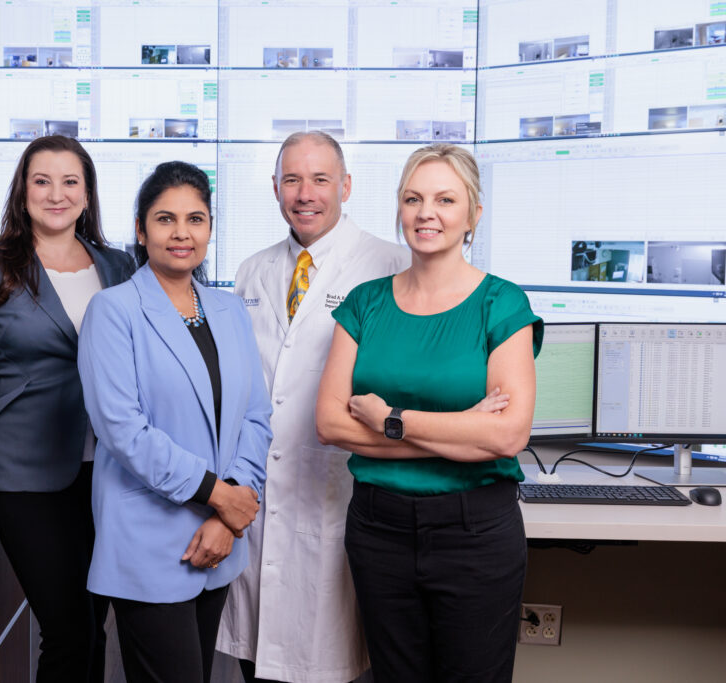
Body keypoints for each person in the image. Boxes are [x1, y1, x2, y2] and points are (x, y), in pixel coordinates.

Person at [316, 143, 543, 682]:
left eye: (445, 199)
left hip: (475, 532)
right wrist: (464, 430)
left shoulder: (502, 304)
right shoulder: (365, 303)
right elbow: (329, 423)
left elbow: (507, 436)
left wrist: (389, 419)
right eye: (413, 198)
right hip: (378, 529)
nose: (426, 213)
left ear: (473, 214)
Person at [217, 131, 409, 683]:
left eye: (320, 179)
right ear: (275, 187)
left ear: (346, 186)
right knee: (256, 661)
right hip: (258, 500)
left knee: (332, 659)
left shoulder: (391, 264)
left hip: (340, 494)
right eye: (292, 180)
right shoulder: (252, 271)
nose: (306, 193)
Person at [0, 134, 135, 682]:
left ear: (87, 193)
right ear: (22, 191)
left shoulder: (118, 264)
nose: (56, 194)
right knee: (68, 629)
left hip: (110, 472)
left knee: (94, 625)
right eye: (42, 181)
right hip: (24, 472)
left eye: (70, 181)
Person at [78, 161, 272, 683]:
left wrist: (229, 510)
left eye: (195, 219)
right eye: (165, 219)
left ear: (209, 229)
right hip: (150, 537)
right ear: (141, 231)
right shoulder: (113, 310)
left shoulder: (229, 310)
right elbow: (123, 430)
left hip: (220, 536)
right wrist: (221, 496)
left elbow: (256, 415)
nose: (181, 233)